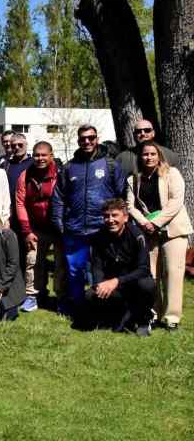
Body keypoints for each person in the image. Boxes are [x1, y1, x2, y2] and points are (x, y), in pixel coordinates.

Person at [51, 124, 125, 315]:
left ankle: (101, 307)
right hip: (75, 229)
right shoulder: (69, 167)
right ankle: (78, 307)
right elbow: (59, 197)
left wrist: (119, 223)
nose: (87, 141)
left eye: (91, 138)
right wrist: (59, 222)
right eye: (83, 138)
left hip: (103, 229)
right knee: (75, 272)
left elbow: (121, 196)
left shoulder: (110, 165)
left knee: (101, 271)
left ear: (97, 139)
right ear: (78, 140)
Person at [126, 141, 192, 331]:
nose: (149, 157)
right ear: (140, 157)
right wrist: (145, 223)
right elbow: (131, 206)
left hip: (173, 230)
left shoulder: (172, 174)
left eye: (152, 154)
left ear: (159, 156)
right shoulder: (133, 179)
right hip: (149, 232)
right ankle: (153, 313)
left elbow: (176, 201)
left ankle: (172, 317)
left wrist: (156, 222)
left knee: (172, 273)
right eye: (145, 154)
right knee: (151, 275)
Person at [81, 199, 155, 337]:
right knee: (89, 295)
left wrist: (117, 281)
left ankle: (144, 321)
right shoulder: (99, 237)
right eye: (106, 216)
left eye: (114, 215)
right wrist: (100, 284)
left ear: (125, 217)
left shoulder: (137, 236)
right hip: (113, 287)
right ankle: (113, 316)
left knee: (147, 284)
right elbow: (97, 266)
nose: (110, 220)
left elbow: (144, 269)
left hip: (134, 284)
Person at [15, 141, 65, 312]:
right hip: (35, 228)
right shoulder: (25, 175)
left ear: (51, 155)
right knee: (33, 262)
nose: (40, 158)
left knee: (60, 264)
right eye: (36, 155)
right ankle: (33, 296)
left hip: (58, 228)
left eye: (44, 155)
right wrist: (26, 231)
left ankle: (61, 297)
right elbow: (20, 203)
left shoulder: (60, 174)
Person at [116, 118, 180, 175]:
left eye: (147, 130)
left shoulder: (169, 155)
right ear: (134, 135)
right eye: (138, 131)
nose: (143, 134)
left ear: (153, 133)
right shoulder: (123, 158)